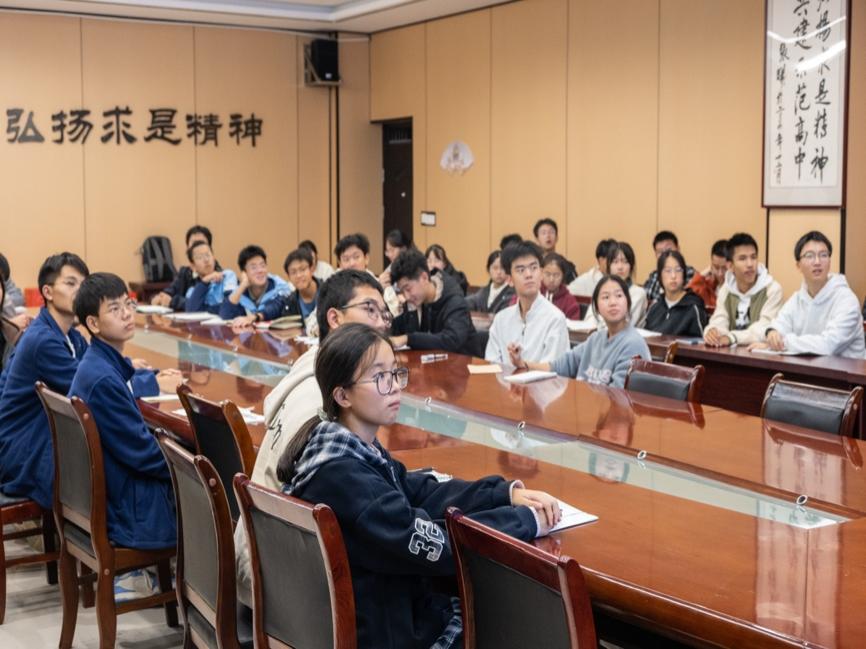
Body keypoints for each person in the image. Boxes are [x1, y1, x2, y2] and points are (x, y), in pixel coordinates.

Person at [275, 323, 560, 649]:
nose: (395, 387)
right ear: (342, 395)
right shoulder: (346, 479)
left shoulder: (341, 450)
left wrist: (504, 494)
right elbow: (438, 544)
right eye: (379, 377)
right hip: (390, 634)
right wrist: (526, 521)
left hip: (378, 617)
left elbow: (418, 490)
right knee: (522, 620)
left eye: (395, 373)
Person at [235, 270, 394, 605]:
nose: (381, 323)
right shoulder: (318, 400)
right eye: (370, 310)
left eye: (384, 313)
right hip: (280, 581)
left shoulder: (315, 366)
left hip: (266, 552)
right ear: (334, 318)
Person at [0, 253, 173, 510]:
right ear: (47, 292)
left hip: (43, 438)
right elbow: (97, 382)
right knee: (126, 453)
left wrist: (152, 375)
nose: (79, 290)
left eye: (83, 283)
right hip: (23, 450)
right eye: (70, 283)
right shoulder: (42, 340)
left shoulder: (71, 335)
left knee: (122, 444)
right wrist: (154, 383)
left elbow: (99, 370)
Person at [69, 273, 178, 550]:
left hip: (113, 492)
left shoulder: (98, 362)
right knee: (211, 480)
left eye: (128, 304)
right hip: (128, 511)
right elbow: (144, 454)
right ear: (93, 323)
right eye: (115, 309)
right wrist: (191, 466)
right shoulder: (103, 379)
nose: (127, 314)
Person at [511, 275, 651, 388]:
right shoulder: (596, 339)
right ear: (596, 308)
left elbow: (618, 397)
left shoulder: (633, 344)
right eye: (606, 297)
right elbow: (559, 366)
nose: (613, 302)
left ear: (628, 302)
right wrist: (523, 364)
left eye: (619, 296)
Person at [750, 231, 866, 358]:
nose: (817, 262)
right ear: (798, 265)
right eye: (809, 256)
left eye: (823, 255)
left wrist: (783, 343)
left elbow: (828, 345)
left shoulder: (847, 300)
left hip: (847, 370)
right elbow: (780, 324)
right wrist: (772, 333)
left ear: (829, 261)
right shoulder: (797, 299)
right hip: (810, 368)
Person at [485, 241, 569, 365]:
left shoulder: (555, 319)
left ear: (541, 274)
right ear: (509, 280)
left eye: (533, 268)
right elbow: (491, 364)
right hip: (504, 378)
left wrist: (521, 366)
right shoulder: (501, 320)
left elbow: (552, 370)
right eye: (521, 270)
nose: (529, 274)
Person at [703, 233, 783, 347]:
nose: (750, 264)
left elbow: (765, 327)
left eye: (753, 257)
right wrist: (713, 331)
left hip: (760, 355)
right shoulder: (726, 290)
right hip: (731, 354)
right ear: (730, 266)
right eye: (742, 258)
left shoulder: (772, 289)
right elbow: (720, 318)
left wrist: (732, 337)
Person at [391, 249, 476, 353]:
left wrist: (409, 339)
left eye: (408, 289)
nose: (406, 296)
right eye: (402, 291)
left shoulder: (454, 300)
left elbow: (452, 340)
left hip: (464, 360)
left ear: (424, 277)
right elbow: (397, 335)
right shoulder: (415, 300)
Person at [219, 245, 291, 324]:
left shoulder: (279, 286)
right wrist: (242, 286)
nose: (260, 270)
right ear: (244, 273)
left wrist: (255, 317)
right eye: (254, 268)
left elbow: (276, 308)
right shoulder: (239, 292)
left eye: (262, 266)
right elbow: (225, 315)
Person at [643, 250, 708, 337]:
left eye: (678, 270)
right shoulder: (654, 307)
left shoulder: (693, 307)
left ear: (684, 274)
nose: (673, 276)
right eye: (668, 271)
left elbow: (700, 342)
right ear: (660, 276)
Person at [583, 241, 647, 327]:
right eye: (615, 262)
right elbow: (589, 320)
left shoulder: (638, 293)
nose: (620, 267)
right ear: (608, 266)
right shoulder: (601, 289)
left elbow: (624, 324)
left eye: (625, 262)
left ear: (631, 266)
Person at [151, 225, 215, 309]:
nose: (197, 247)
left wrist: (173, 301)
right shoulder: (185, 272)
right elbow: (168, 292)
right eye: (193, 244)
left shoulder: (218, 275)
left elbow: (201, 304)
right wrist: (160, 298)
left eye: (201, 243)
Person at [183, 240, 238, 314]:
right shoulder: (192, 291)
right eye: (200, 257)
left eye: (208, 255)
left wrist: (204, 309)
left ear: (214, 258)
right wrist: (205, 281)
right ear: (193, 266)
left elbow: (229, 306)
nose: (206, 260)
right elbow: (191, 313)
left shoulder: (227, 276)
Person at [642, 231, 696, 303]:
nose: (665, 254)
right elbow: (645, 300)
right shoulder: (654, 276)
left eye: (669, 250)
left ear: (678, 249)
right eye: (660, 252)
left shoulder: (690, 273)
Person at [464, 250, 514, 314]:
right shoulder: (484, 291)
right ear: (488, 270)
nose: (499, 272)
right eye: (495, 268)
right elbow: (469, 302)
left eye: (502, 268)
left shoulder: (512, 292)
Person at [687, 239, 728, 310]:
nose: (720, 273)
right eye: (716, 267)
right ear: (711, 265)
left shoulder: (739, 287)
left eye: (725, 268)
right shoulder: (707, 286)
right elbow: (688, 296)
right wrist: (701, 275)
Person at [533, 218, 577, 283]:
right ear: (537, 239)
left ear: (557, 238)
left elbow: (574, 286)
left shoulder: (566, 265)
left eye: (551, 232)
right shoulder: (533, 266)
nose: (548, 236)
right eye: (543, 233)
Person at [540, 252, 582, 319]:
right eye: (548, 274)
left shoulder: (570, 302)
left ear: (563, 275)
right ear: (541, 272)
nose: (551, 279)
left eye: (556, 275)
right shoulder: (534, 294)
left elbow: (573, 324)